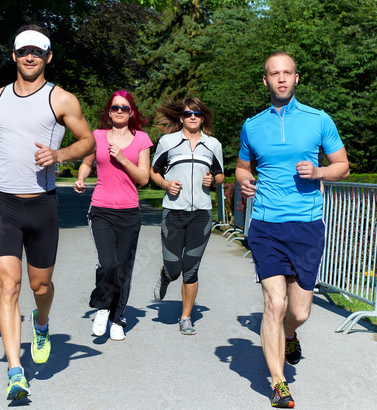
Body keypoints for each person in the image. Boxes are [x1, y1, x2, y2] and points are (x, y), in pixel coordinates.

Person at [0, 25, 95, 400]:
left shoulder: (61, 100)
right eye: (23, 51)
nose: (29, 57)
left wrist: (60, 155)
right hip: (3, 204)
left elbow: (88, 141)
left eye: (37, 52)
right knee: (8, 285)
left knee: (40, 286)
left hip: (42, 205)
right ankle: (15, 371)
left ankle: (41, 323)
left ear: (48, 57)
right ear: (13, 55)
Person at [235, 51, 349, 408]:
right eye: (274, 74)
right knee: (275, 302)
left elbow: (342, 166)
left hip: (307, 225)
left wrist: (317, 173)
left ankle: (290, 335)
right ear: (265, 80)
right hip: (266, 225)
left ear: (296, 78)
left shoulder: (319, 120)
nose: (281, 79)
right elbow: (241, 167)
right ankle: (279, 384)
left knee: (298, 312)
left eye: (287, 73)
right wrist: (244, 182)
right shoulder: (252, 125)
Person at [73, 90, 152, 341]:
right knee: (108, 263)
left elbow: (144, 178)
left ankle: (118, 318)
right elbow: (86, 163)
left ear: (131, 113)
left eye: (124, 108)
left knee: (123, 269)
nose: (119, 111)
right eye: (115, 107)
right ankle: (103, 307)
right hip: (101, 210)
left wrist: (122, 159)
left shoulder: (142, 139)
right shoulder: (96, 137)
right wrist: (81, 178)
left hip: (129, 212)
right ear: (109, 111)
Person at [150, 97, 224, 335]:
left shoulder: (213, 145)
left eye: (198, 113)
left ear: (203, 117)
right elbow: (153, 172)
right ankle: (165, 275)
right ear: (181, 117)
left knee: (191, 269)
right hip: (173, 212)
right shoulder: (167, 142)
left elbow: (221, 175)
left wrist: (213, 180)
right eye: (188, 113)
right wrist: (165, 183)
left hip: (201, 214)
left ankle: (185, 317)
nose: (193, 117)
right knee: (174, 269)